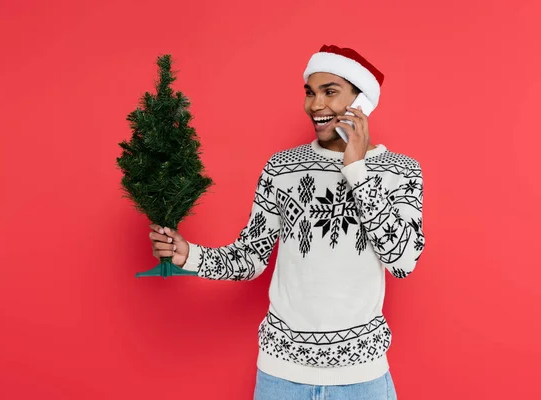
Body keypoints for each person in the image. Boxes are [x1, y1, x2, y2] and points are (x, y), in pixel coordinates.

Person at [149, 44, 425, 400]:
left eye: (330, 92)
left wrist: (357, 170)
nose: (315, 105)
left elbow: (402, 262)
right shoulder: (281, 169)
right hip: (281, 378)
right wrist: (189, 255)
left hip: (362, 380)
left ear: (362, 102)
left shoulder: (401, 171)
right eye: (310, 93)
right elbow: (249, 258)